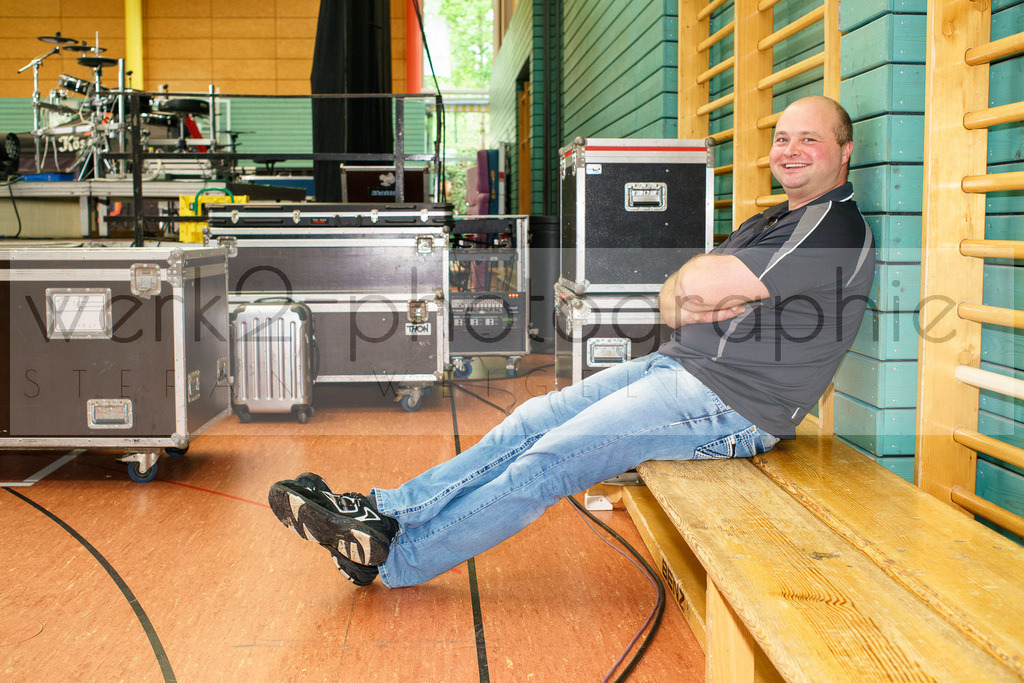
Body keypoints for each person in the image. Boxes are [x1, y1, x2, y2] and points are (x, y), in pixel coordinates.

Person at [268, 95, 875, 588]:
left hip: (734, 406)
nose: (791, 151)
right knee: (533, 418)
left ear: (844, 152)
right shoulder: (773, 220)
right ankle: (386, 511)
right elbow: (680, 300)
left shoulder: (832, 228)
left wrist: (699, 291)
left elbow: (696, 290)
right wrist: (696, 289)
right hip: (682, 371)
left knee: (552, 459)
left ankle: (397, 559)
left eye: (810, 140)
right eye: (783, 139)